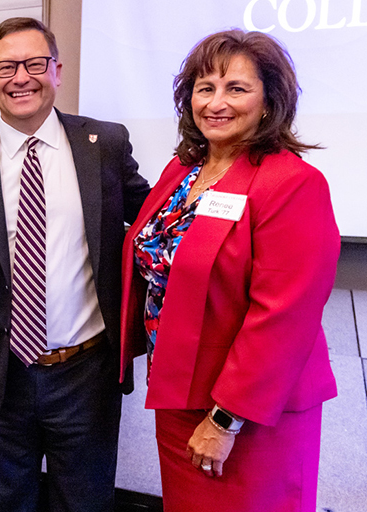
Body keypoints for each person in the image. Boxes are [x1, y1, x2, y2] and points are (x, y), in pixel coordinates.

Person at [0, 17, 150, 511]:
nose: (20, 78)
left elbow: (156, 217)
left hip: (86, 370)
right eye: (6, 67)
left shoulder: (105, 146)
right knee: (7, 498)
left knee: (86, 499)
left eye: (34, 63)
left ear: (57, 71)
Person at [120, 29, 339, 511]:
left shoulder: (292, 183)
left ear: (269, 101)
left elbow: (283, 317)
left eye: (236, 88)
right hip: (179, 391)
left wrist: (224, 421)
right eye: (205, 88)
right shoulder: (184, 171)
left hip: (251, 412)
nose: (216, 102)